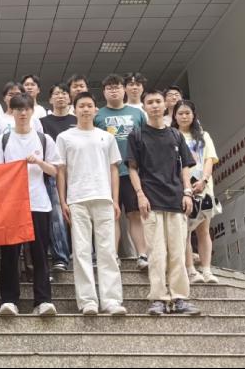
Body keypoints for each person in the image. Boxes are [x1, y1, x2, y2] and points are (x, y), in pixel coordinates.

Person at [127, 90, 201, 315]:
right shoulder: (137, 135)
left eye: (158, 101)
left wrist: (187, 192)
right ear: (144, 107)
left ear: (165, 105)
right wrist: (140, 194)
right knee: (156, 253)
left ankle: (179, 298)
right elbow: (132, 168)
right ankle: (159, 298)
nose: (155, 105)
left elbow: (185, 166)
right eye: (150, 102)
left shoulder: (175, 135)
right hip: (150, 201)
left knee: (177, 252)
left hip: (176, 199)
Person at [56, 92, 127, 316]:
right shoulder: (65, 137)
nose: (85, 109)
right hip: (77, 199)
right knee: (81, 251)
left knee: (107, 251)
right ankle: (88, 301)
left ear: (96, 110)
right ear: (74, 110)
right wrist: (62, 200)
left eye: (89, 106)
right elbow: (61, 171)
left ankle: (111, 300)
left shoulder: (106, 137)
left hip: (103, 197)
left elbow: (114, 169)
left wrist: (115, 199)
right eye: (81, 106)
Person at [0, 94, 59, 317]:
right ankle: (9, 300)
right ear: (12, 111)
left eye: (26, 109)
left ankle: (43, 300)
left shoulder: (44, 139)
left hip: (39, 203)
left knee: (40, 253)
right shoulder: (2, 140)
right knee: (10, 254)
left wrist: (38, 162)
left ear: (32, 111)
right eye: (18, 109)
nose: (22, 113)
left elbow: (55, 171)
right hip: (10, 205)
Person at [94, 74, 148, 270]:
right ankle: (113, 256)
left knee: (135, 214)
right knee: (112, 215)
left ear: (124, 90)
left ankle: (142, 255)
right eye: (109, 88)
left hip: (133, 172)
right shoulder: (98, 116)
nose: (113, 91)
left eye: (117, 87)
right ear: (104, 92)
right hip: (107, 174)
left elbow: (146, 141)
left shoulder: (137, 113)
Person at [172, 101, 220, 284]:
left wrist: (204, 180)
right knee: (184, 231)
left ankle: (206, 270)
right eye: (180, 113)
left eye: (187, 113)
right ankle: (190, 270)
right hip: (181, 190)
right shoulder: (171, 135)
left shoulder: (204, 135)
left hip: (204, 188)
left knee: (203, 230)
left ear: (193, 115)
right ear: (174, 116)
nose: (184, 116)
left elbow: (209, 159)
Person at [40, 83, 76, 271]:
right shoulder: (42, 122)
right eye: (56, 94)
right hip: (52, 172)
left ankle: (81, 252)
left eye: (64, 93)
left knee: (77, 212)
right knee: (57, 214)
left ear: (70, 98)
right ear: (50, 99)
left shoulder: (77, 119)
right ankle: (60, 256)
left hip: (76, 172)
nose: (60, 96)